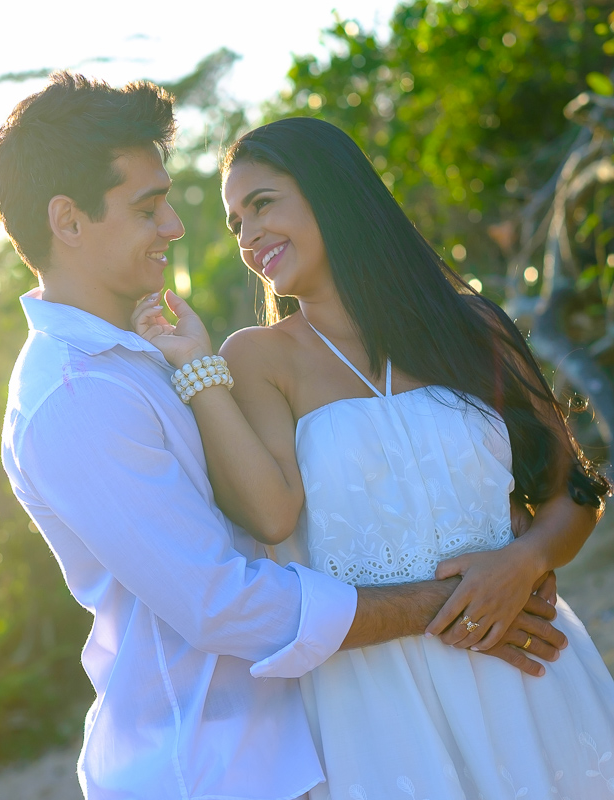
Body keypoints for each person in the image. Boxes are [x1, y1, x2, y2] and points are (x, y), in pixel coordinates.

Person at [0, 73, 565, 800]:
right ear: (68, 222)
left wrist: (508, 547)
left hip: (323, 737)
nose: (174, 225)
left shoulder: (151, 354)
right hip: (210, 769)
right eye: (147, 206)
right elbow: (223, 601)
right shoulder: (73, 402)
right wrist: (456, 602)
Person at [134, 115, 614, 799]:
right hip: (381, 703)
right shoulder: (259, 358)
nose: (248, 237)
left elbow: (576, 493)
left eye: (263, 204)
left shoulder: (469, 325)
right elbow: (271, 518)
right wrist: (194, 365)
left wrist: (525, 560)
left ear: (332, 190)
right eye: (236, 222)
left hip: (528, 672)